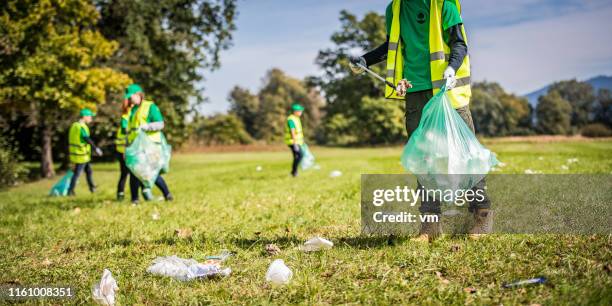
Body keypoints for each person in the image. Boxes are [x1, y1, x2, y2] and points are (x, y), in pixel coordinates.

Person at [350, 0, 491, 241]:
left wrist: (452, 68)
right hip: (416, 92)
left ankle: (482, 216)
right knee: (423, 157)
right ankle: (430, 226)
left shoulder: (442, 4)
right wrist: (365, 60)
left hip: (448, 90)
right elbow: (391, 46)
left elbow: (459, 42)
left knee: (466, 155)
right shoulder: (394, 9)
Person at [124, 83, 173, 204]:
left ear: (138, 94)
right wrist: (127, 147)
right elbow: (131, 131)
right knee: (135, 171)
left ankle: (167, 194)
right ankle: (135, 200)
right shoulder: (133, 110)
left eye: (131, 97)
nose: (130, 99)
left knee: (150, 172)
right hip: (136, 146)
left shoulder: (150, 106)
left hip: (150, 146)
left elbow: (160, 124)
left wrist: (147, 126)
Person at [67, 108, 103, 196]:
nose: (91, 118)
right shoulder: (81, 127)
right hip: (81, 155)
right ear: (85, 117)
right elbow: (86, 138)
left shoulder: (75, 125)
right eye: (90, 116)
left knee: (89, 171)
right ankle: (70, 191)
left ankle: (92, 187)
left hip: (80, 154)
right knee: (77, 173)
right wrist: (96, 149)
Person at [114, 99, 131, 201]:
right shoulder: (126, 118)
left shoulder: (126, 118)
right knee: (126, 174)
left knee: (125, 174)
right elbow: (126, 135)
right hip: (124, 152)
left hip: (124, 151)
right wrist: (125, 151)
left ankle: (120, 194)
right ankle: (120, 195)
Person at [284, 103, 305, 177]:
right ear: (295, 111)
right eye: (300, 111)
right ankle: (294, 171)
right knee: (300, 155)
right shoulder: (291, 119)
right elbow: (292, 130)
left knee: (297, 156)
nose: (301, 112)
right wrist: (295, 143)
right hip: (293, 141)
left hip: (297, 141)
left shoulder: (297, 118)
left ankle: (294, 172)